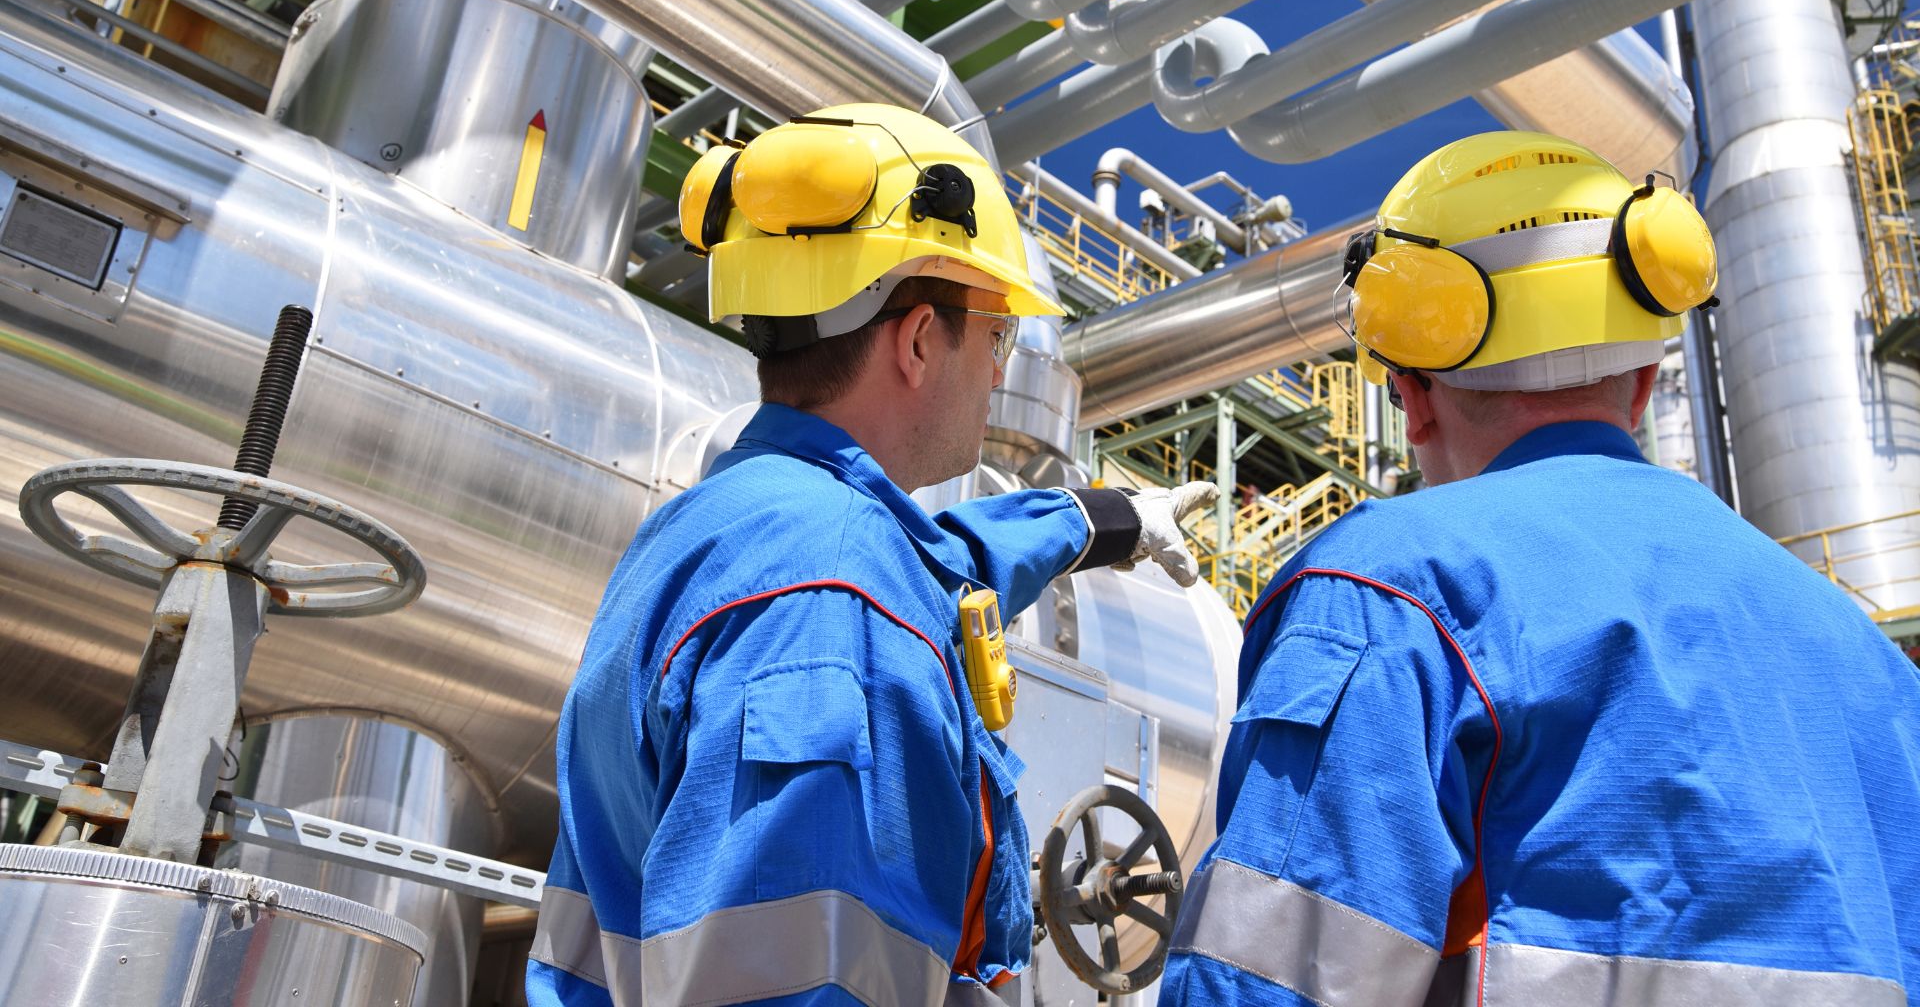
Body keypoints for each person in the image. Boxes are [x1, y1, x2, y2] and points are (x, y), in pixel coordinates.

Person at [1159, 131, 1920, 1006]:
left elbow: (1264, 984)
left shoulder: (1393, 589)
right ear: (1643, 377)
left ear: (1409, 398)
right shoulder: (1879, 674)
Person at [525, 102, 1215, 1006]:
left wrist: (1102, 519)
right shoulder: (840, 597)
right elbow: (803, 979)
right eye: (997, 334)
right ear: (923, 339)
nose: (1001, 369)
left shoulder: (722, 532)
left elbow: (937, 566)